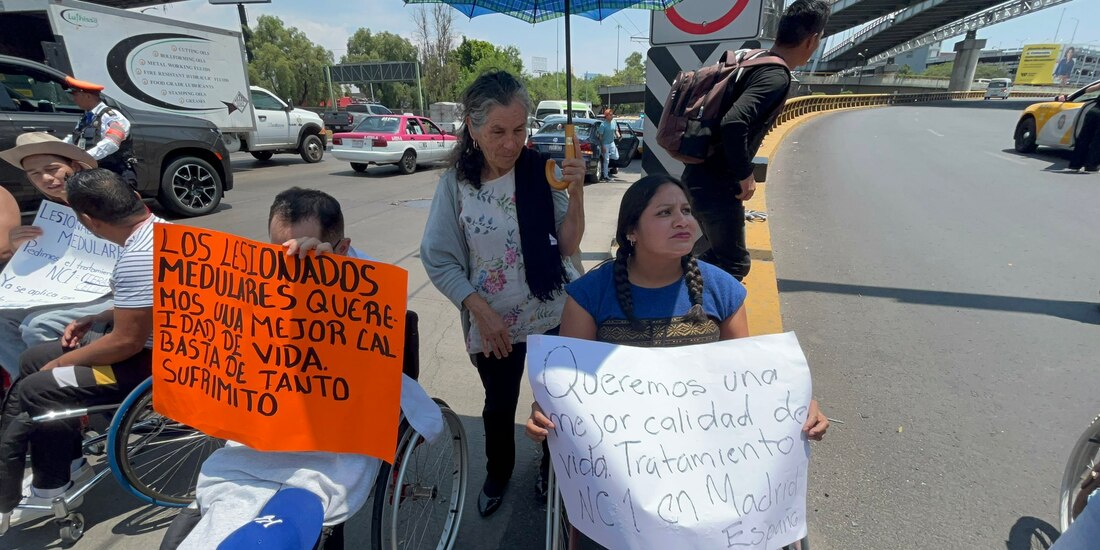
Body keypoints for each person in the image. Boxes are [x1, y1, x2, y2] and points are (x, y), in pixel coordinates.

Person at [524, 174, 829, 547]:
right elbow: (568, 387)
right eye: (665, 212)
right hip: (619, 473)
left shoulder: (722, 290)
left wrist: (796, 406)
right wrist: (545, 412)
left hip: (709, 464)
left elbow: (747, 385)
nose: (682, 221)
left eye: (686, 210)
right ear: (631, 232)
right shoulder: (590, 295)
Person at [162, 187, 443, 549]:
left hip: (341, 417)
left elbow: (362, 362)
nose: (289, 258)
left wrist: (327, 282)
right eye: (277, 249)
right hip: (273, 411)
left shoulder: (373, 287)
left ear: (342, 247)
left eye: (302, 250)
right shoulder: (260, 278)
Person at [421, 70, 586, 517]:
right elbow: (439, 258)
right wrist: (480, 310)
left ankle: (551, 467)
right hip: (493, 323)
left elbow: (566, 246)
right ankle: (498, 472)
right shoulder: (456, 185)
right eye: (498, 131)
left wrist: (576, 193)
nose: (512, 144)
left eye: (519, 129)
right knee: (498, 407)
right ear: (473, 129)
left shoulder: (541, 171)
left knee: (555, 402)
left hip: (553, 312)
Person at [0, 168, 162, 531]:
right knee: (32, 358)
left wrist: (63, 362)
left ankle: (53, 484)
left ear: (88, 221)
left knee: (41, 385)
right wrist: (97, 316)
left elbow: (126, 342)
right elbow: (146, 307)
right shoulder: (161, 231)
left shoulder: (137, 258)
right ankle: (64, 461)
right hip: (157, 343)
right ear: (136, 199)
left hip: (154, 366)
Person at [682, 0, 830, 282]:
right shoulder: (776, 76)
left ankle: (675, 287)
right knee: (734, 264)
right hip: (717, 184)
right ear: (812, 40)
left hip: (699, 177)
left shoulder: (754, 59)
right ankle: (671, 292)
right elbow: (734, 121)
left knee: (715, 255)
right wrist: (744, 174)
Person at [0, 133, 113, 383]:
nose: (45, 179)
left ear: (74, 166)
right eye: (34, 174)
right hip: (73, 292)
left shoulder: (108, 198)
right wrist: (20, 247)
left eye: (52, 169)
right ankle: (27, 386)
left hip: (115, 291)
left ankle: (66, 386)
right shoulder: (54, 213)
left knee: (37, 325)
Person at [63, 76, 137, 187]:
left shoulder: (112, 117)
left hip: (115, 173)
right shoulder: (86, 117)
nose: (74, 99)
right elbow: (74, 138)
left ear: (87, 96)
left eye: (75, 95)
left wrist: (84, 158)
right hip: (95, 172)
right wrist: (59, 149)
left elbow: (112, 143)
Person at [1058, 81, 1100, 173]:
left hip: (1093, 112)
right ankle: (1091, 165)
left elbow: (1088, 90)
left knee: (1084, 138)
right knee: (1097, 142)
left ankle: (1075, 164)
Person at [596, 108, 619, 182]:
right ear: (606, 116)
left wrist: (618, 135)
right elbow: (600, 136)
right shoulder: (603, 125)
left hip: (612, 142)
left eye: (612, 114)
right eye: (610, 115)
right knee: (606, 160)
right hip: (605, 144)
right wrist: (602, 146)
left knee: (616, 157)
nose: (612, 116)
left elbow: (616, 130)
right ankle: (605, 176)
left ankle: (606, 157)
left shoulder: (614, 122)